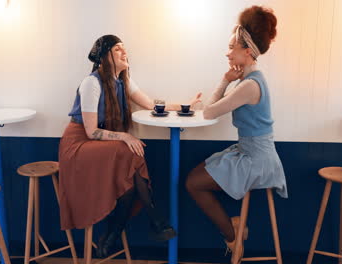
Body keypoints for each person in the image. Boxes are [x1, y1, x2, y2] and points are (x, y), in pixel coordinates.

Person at [58, 34, 201, 257]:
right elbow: (91, 131)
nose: (125, 53)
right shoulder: (91, 83)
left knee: (130, 175)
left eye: (124, 49)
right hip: (78, 145)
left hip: (99, 144)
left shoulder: (123, 81)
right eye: (118, 49)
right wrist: (124, 137)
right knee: (128, 150)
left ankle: (114, 234)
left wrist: (184, 106)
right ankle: (154, 220)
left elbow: (152, 104)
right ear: (105, 56)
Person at [185, 5, 288, 261]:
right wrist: (229, 78)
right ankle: (233, 228)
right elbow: (211, 109)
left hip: (257, 160)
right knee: (194, 180)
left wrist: (225, 81)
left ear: (247, 50)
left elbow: (208, 112)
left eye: (232, 47)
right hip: (249, 152)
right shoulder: (248, 82)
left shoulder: (250, 86)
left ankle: (233, 237)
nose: (227, 52)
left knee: (193, 183)